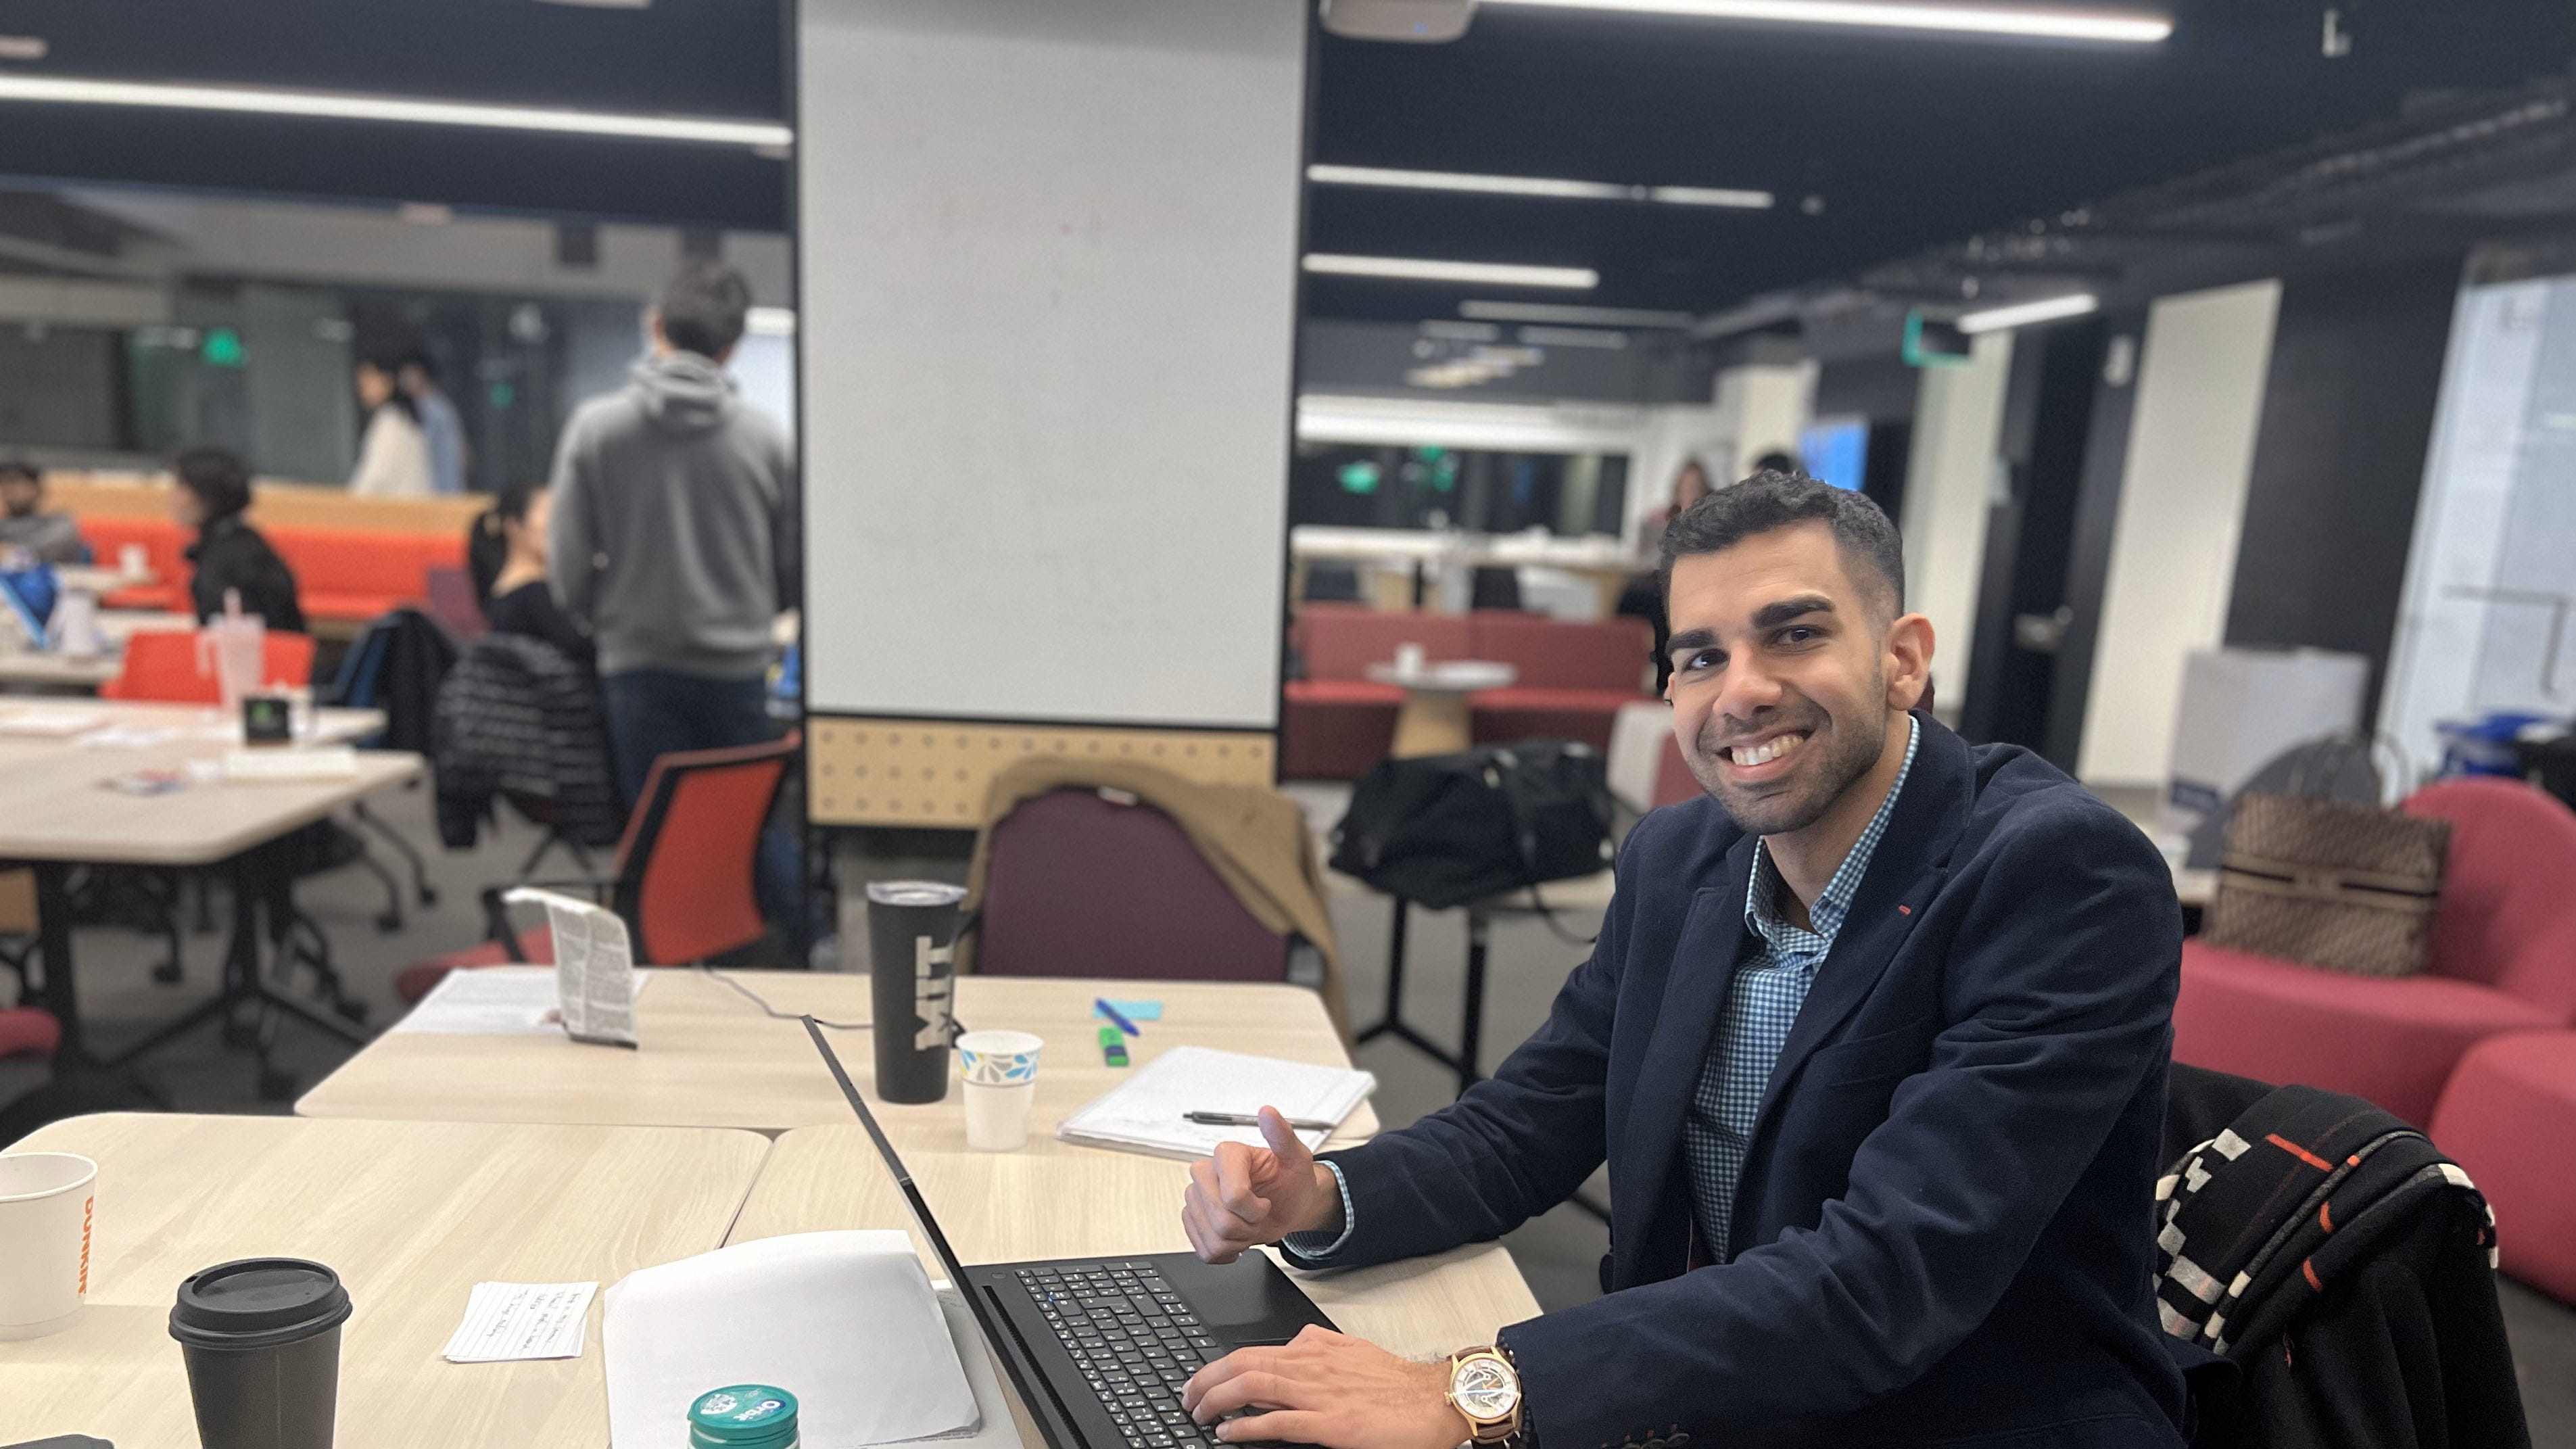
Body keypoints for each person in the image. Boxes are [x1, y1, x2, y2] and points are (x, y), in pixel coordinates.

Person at [1176, 471, 2187, 1449]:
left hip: (1958, 1413)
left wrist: (1472, 1389)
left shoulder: (2058, 873)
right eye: (1700, 656)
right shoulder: (1679, 856)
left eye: (1794, 633)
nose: (1740, 691)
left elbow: (1885, 1275)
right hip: (1706, 1393)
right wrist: (1325, 1199)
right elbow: (1529, 1120)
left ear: (1902, 657)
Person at [548, 260, 798, 923]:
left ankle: (661, 976)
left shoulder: (598, 428)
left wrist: (595, 618)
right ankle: (791, 961)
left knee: (655, 834)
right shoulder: (767, 440)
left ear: (656, 326)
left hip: (637, 665)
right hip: (738, 665)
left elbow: (567, 560)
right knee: (749, 826)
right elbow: (792, 564)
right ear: (733, 346)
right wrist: (755, 610)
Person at [170, 448, 303, 632]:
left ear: (206, 495)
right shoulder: (245, 541)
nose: (172, 498)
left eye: (180, 487)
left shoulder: (225, 561)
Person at [469, 481, 593, 673]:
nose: (560, 525)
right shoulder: (533, 594)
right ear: (514, 526)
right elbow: (583, 650)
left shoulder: (501, 591)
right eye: (548, 512)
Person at [348, 351, 435, 498]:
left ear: (387, 380)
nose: (362, 387)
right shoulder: (406, 419)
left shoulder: (390, 422)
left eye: (369, 380)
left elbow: (376, 478)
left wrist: (349, 505)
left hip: (395, 514)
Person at [402, 350, 470, 496]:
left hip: (439, 491)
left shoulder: (430, 408)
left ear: (421, 375)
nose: (404, 382)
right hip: (448, 489)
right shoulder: (442, 406)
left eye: (408, 375)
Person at [0, 460, 83, 564]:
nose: (9, 489)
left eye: (15, 482)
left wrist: (12, 553)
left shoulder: (60, 523)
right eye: (4, 483)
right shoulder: (3, 526)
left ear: (36, 487)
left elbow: (52, 550)